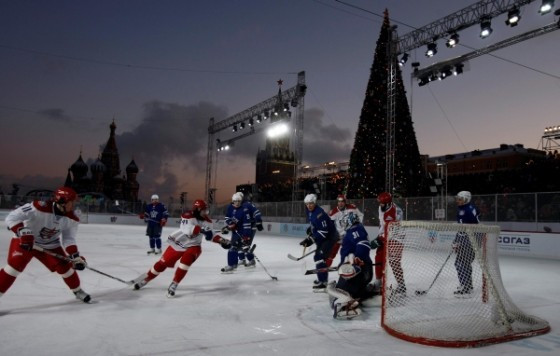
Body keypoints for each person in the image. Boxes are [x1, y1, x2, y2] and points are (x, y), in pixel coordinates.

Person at [0, 187, 91, 303]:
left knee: (66, 269)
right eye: (71, 202)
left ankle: (77, 291)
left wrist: (75, 256)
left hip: (50, 244)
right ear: (62, 201)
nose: (73, 206)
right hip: (25, 241)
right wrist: (22, 231)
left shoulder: (72, 219)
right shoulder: (39, 207)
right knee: (13, 267)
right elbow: (12, 217)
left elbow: (69, 239)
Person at [132, 199, 230, 297]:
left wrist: (221, 241)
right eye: (203, 210)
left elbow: (211, 235)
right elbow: (187, 230)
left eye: (206, 210)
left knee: (185, 263)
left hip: (193, 246)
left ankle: (174, 284)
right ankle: (146, 279)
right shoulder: (187, 216)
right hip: (178, 243)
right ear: (197, 209)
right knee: (161, 264)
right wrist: (202, 230)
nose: (206, 212)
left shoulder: (207, 221)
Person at [327, 211, 377, 319]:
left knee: (340, 293)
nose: (343, 225)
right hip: (360, 270)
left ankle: (347, 305)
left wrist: (357, 259)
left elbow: (363, 244)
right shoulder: (354, 230)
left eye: (345, 222)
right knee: (345, 290)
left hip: (359, 271)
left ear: (350, 221)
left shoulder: (355, 229)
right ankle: (357, 296)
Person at [300, 193, 339, 292]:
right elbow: (315, 224)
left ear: (315, 203)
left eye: (311, 203)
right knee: (318, 257)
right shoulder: (309, 211)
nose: (309, 206)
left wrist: (311, 239)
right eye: (307, 204)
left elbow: (324, 231)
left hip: (329, 238)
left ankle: (323, 282)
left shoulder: (319, 214)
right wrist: (311, 229)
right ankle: (321, 279)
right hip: (323, 237)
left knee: (319, 257)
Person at [373, 192, 406, 298]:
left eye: (382, 203)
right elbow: (382, 225)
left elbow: (393, 231)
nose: (380, 204)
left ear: (387, 203)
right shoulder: (381, 208)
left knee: (394, 261)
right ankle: (378, 282)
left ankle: (401, 285)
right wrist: (379, 237)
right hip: (385, 236)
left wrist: (380, 239)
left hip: (396, 237)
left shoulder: (396, 211)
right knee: (378, 257)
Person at [453, 190, 481, 297]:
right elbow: (462, 228)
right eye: (458, 199)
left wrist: (459, 242)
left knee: (461, 263)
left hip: (470, 240)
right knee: (463, 263)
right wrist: (456, 241)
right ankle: (467, 285)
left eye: (460, 199)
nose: (458, 201)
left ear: (466, 199)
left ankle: (466, 286)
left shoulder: (467, 210)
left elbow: (469, 229)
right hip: (467, 239)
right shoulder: (465, 209)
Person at [221, 192, 255, 272]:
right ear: (232, 201)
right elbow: (227, 217)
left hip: (243, 231)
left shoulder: (244, 210)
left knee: (241, 248)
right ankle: (233, 264)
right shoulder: (230, 207)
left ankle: (234, 264)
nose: (237, 203)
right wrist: (230, 224)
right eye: (235, 201)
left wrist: (246, 236)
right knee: (235, 248)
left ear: (241, 201)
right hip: (235, 231)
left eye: (239, 201)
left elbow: (247, 225)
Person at [328, 194, 364, 267]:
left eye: (342, 202)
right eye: (339, 202)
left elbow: (360, 215)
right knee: (331, 253)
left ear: (345, 202)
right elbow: (330, 226)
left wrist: (356, 225)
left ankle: (351, 266)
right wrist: (334, 235)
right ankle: (325, 267)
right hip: (339, 236)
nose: (340, 203)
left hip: (350, 235)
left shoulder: (352, 207)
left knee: (350, 251)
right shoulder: (333, 212)